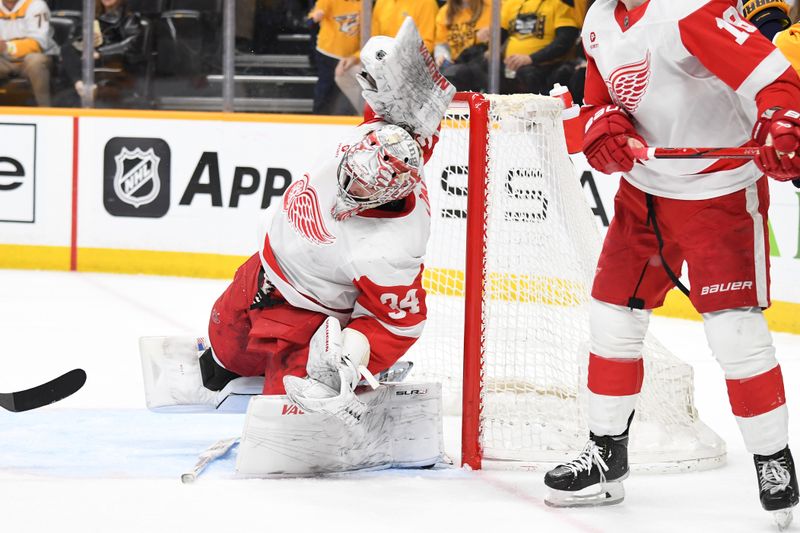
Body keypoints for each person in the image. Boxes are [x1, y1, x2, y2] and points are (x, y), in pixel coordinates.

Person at [543, 0, 800, 527]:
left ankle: (773, 462)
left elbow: (778, 80)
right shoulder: (597, 20)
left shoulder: (691, 8)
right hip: (643, 198)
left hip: (720, 195)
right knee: (611, 322)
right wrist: (602, 127)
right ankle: (605, 456)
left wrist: (781, 120)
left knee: (736, 335)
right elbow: (597, 104)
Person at [201, 117, 431, 422]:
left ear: (390, 194)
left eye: (361, 185)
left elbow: (397, 324)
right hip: (261, 276)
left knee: (286, 414)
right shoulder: (366, 142)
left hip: (310, 320)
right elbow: (410, 120)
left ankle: (349, 381)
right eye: (350, 171)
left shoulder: (391, 248)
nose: (348, 184)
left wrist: (351, 356)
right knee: (221, 361)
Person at [334, 0, 438, 114]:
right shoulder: (382, 2)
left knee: (387, 80)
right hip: (382, 61)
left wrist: (398, 60)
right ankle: (372, 114)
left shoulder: (426, 3)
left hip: (409, 64)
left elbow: (427, 42)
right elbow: (373, 39)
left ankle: (393, 115)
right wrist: (355, 57)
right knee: (345, 73)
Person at [59, 0, 143, 104]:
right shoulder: (92, 13)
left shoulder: (129, 17)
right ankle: (80, 85)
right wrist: (85, 41)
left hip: (113, 59)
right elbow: (75, 39)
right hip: (90, 56)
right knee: (67, 48)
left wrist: (101, 53)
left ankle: (84, 87)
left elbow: (131, 44)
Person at [487, 0, 580, 94]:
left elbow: (565, 40)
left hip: (543, 65)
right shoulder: (511, 3)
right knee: (478, 66)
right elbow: (498, 36)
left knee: (527, 74)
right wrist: (489, 52)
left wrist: (530, 58)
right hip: (510, 65)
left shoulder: (560, 3)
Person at [308, 0, 361, 114]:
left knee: (345, 94)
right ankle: (318, 118)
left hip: (351, 57)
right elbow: (312, 19)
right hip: (328, 53)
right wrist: (315, 17)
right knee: (325, 89)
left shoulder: (363, 4)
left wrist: (356, 56)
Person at [0, 0, 54, 106]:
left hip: (31, 58)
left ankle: (46, 111)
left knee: (35, 61)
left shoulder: (35, 4)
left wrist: (8, 47)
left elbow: (38, 43)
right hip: (4, 60)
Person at [433, 0, 491, 92]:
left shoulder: (490, 7)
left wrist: (492, 34)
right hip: (455, 64)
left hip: (479, 62)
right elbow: (441, 44)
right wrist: (441, 55)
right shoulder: (445, 11)